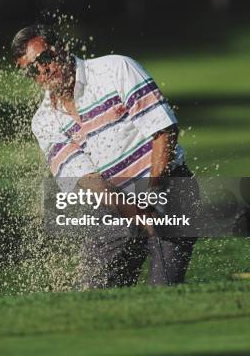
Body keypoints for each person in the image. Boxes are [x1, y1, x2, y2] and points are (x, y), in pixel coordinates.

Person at [11, 24, 197, 288]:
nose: (43, 70)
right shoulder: (43, 121)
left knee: (163, 290)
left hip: (169, 186)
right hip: (115, 208)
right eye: (33, 69)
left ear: (61, 48)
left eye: (45, 58)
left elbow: (164, 131)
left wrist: (152, 197)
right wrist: (136, 212)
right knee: (93, 296)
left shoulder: (115, 69)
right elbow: (89, 181)